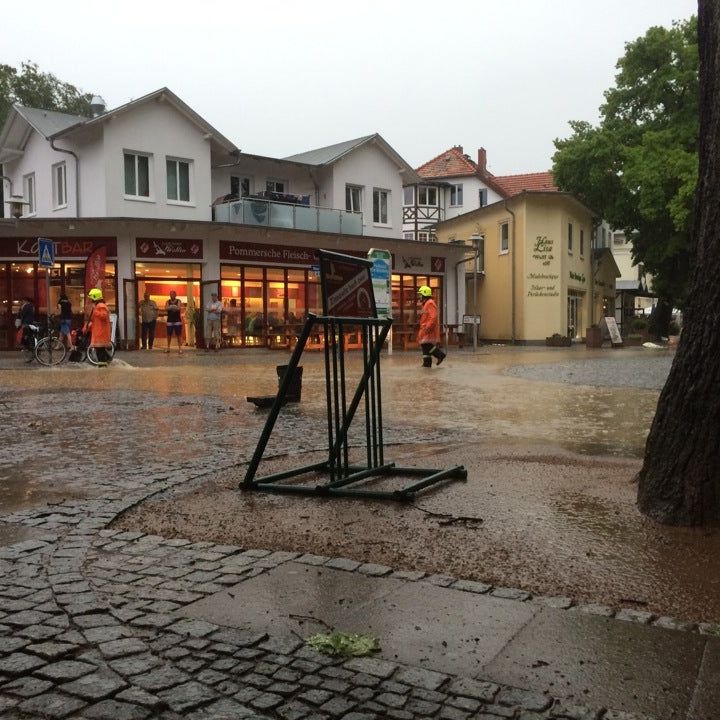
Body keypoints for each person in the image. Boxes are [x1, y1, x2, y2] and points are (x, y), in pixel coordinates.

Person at [416, 285, 446, 368]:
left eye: (420, 294)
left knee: (426, 345)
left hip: (428, 329)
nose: (419, 296)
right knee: (424, 345)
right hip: (425, 328)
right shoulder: (426, 303)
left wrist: (428, 327)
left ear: (424, 294)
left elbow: (433, 317)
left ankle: (440, 355)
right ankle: (427, 363)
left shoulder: (430, 303)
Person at [86, 288, 112, 367]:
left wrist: (95, 310)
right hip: (99, 332)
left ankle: (102, 367)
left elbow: (103, 316)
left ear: (95, 297)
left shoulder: (100, 306)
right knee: (101, 350)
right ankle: (107, 362)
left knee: (99, 351)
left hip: (101, 333)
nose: (90, 300)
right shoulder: (99, 305)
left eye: (91, 298)